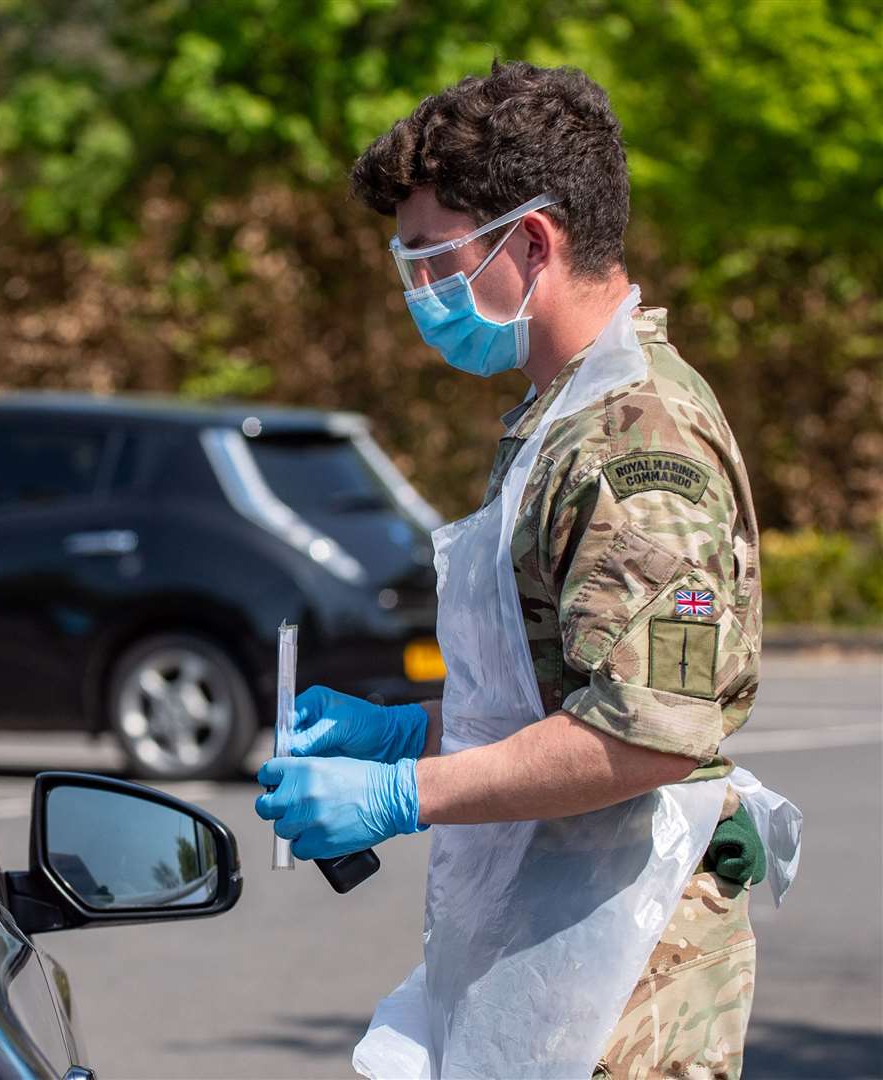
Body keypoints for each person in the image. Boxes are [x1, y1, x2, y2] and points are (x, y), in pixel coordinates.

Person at [254, 61, 798, 1079]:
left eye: (432, 259)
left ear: (531, 242)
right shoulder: (558, 422)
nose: (419, 293)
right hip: (550, 957)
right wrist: (405, 731)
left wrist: (402, 793)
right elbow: (561, 692)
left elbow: (647, 736)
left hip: (629, 988)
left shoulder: (633, 444)